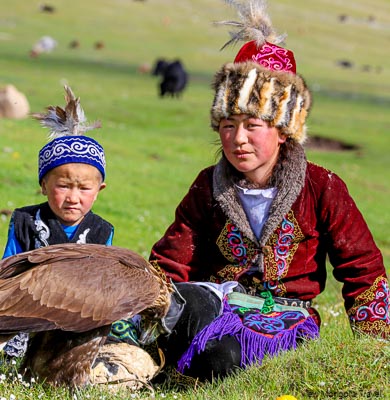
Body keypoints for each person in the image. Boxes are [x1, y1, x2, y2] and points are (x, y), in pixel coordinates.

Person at [149, 0, 390, 382]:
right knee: (184, 310)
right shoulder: (207, 184)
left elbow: (362, 268)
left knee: (223, 356)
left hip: (286, 319)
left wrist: (377, 350)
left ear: (283, 128)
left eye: (252, 124)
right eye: (227, 124)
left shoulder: (321, 187)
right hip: (221, 304)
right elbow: (171, 261)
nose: (237, 139)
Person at [2, 85, 114, 358]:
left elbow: (103, 286)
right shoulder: (24, 221)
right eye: (63, 186)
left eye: (84, 189)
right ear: (43, 185)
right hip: (25, 315)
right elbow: (6, 273)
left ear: (99, 191)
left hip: (77, 320)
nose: (73, 198)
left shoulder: (101, 231)